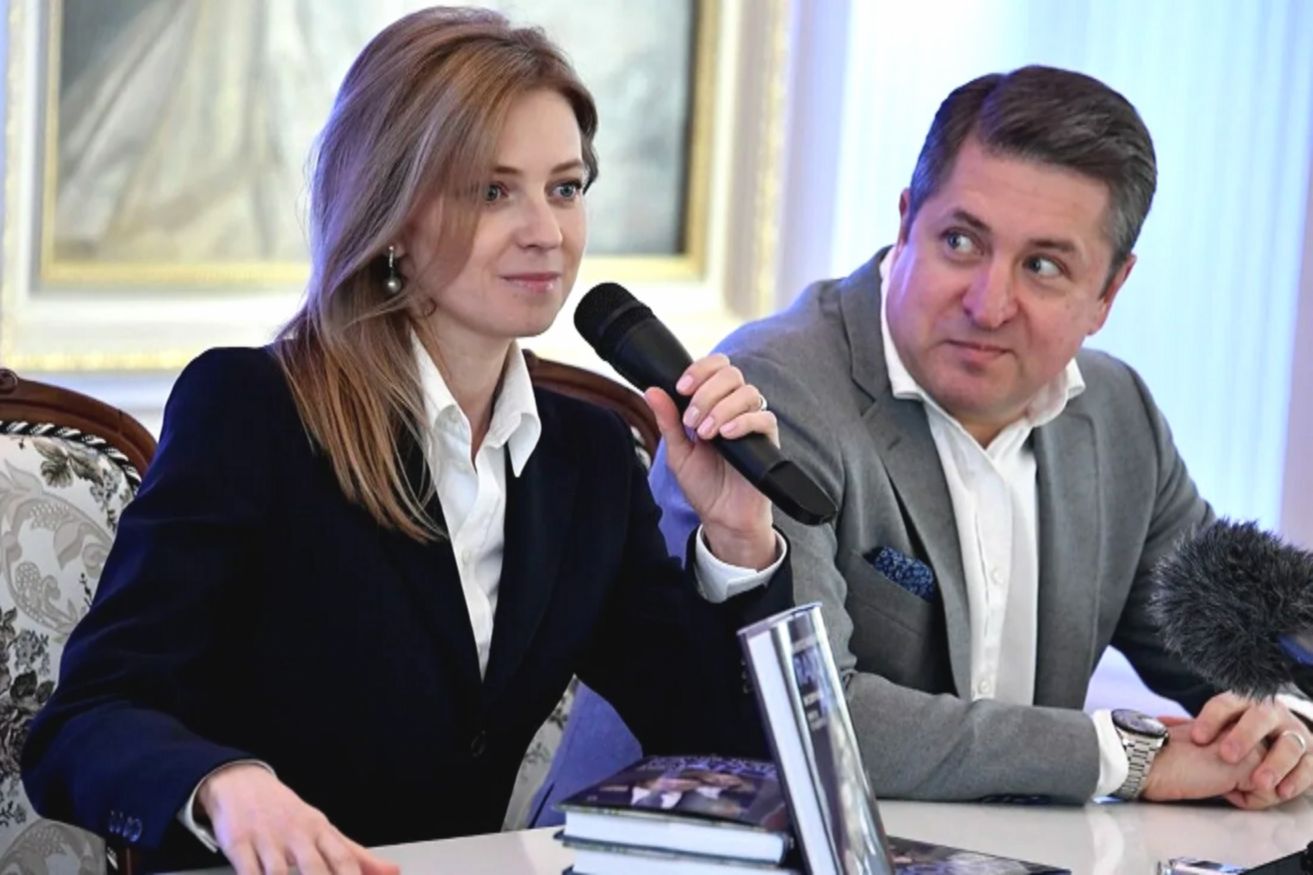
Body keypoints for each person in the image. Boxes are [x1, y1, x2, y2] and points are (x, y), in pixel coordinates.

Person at [21, 8, 791, 874]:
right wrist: (223, 783)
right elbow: (86, 719)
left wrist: (737, 540)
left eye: (565, 188)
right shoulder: (253, 411)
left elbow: (719, 756)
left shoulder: (588, 455)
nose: (546, 231)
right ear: (391, 210)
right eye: (492, 191)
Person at [652, 65, 1313, 810]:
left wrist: (1285, 726)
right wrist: (1122, 755)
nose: (988, 304)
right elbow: (817, 719)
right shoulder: (775, 390)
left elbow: (1260, 651)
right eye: (961, 241)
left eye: (1042, 266)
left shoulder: (1117, 416)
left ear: (1108, 292)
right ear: (906, 223)